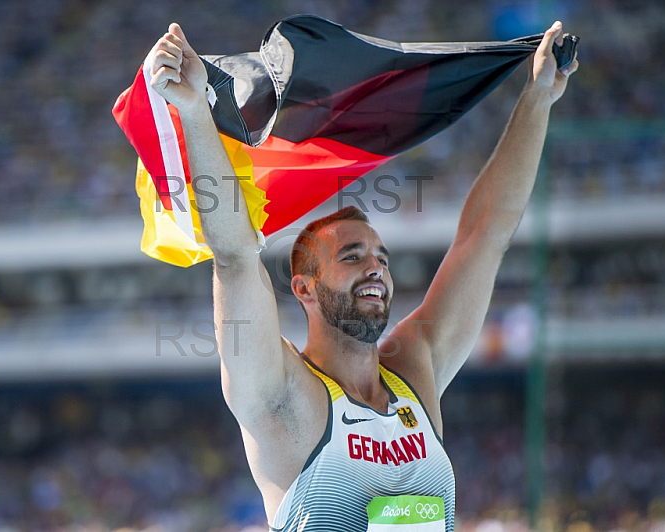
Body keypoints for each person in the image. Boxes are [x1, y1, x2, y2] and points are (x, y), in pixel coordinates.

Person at [149, 19, 577, 532]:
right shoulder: (283, 394)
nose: (376, 266)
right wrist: (196, 110)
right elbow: (236, 258)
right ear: (304, 286)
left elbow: (484, 237)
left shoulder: (416, 371)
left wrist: (537, 101)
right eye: (352, 256)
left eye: (382, 258)